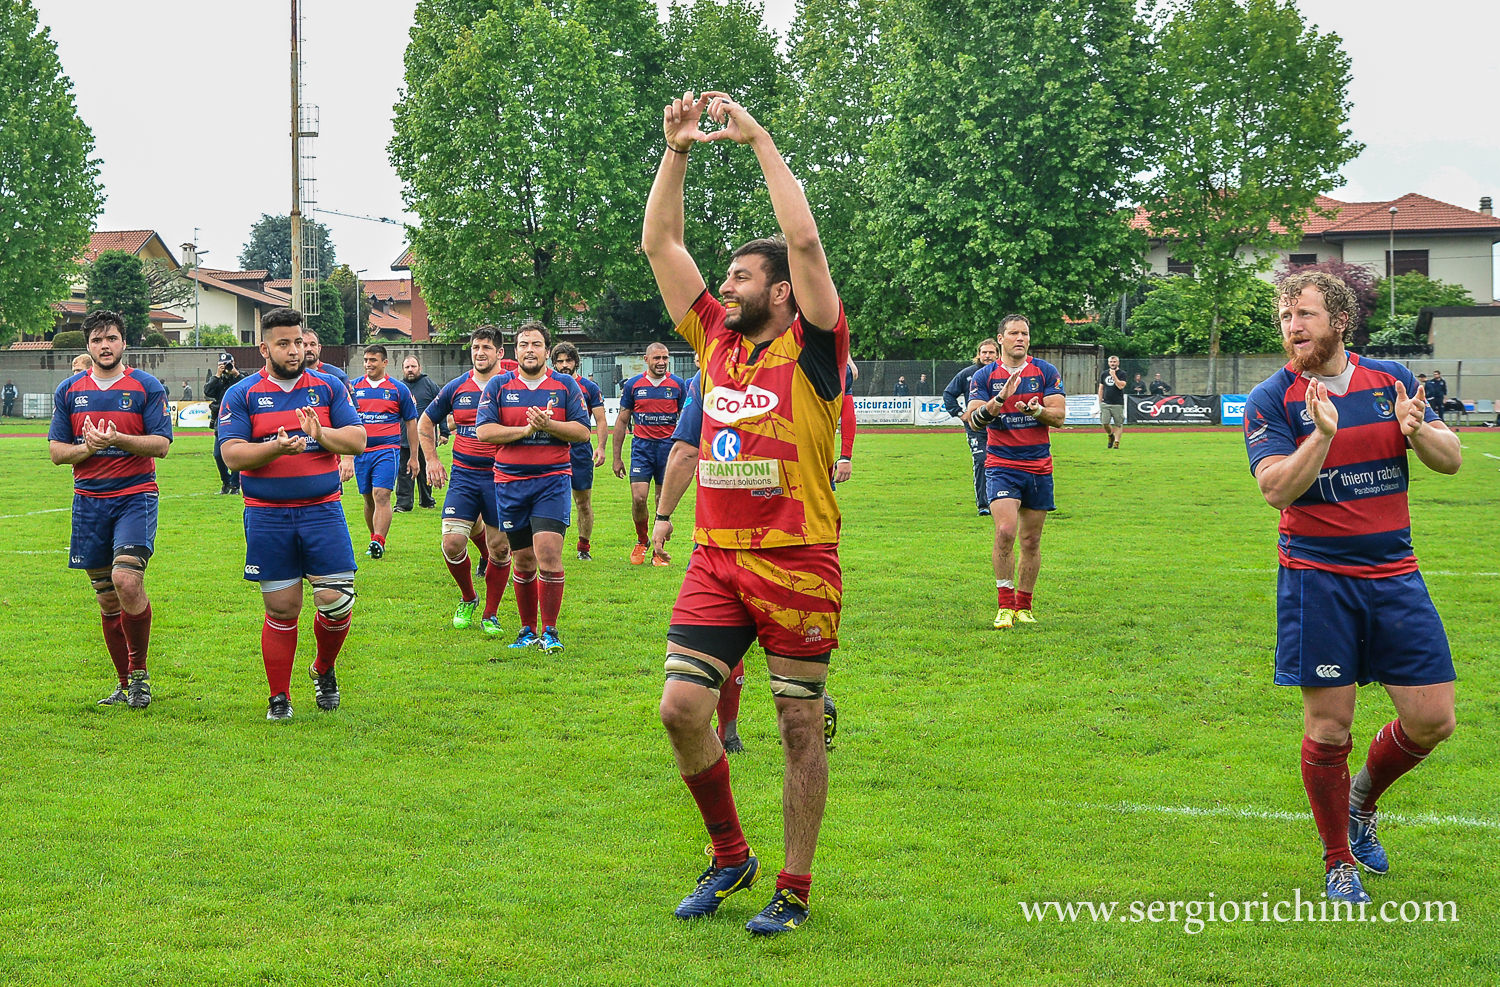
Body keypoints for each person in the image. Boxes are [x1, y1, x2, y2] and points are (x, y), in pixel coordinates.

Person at [643, 89, 849, 936]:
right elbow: (661, 243)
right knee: (680, 709)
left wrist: (757, 137)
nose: (724, 286)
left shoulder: (814, 342)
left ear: (782, 293)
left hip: (799, 560)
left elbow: (804, 240)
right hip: (716, 558)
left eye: (740, 276)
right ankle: (731, 855)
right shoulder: (715, 340)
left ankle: (793, 888)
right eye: (724, 276)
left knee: (799, 725)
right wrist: (678, 150)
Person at [1244, 271, 1461, 905]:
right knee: (1330, 727)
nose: (1292, 326)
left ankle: (1363, 800)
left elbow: (1450, 459)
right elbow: (1275, 489)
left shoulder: (1390, 379)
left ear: (1340, 321)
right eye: (1285, 315)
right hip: (1317, 579)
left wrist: (1418, 429)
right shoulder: (1271, 398)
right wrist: (1321, 434)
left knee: (1433, 720)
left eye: (1305, 314)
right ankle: (1338, 859)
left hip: (1395, 574)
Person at [653, 361, 844, 758]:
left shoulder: (718, 376)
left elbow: (686, 452)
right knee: (711, 678)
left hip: (749, 541)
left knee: (725, 653)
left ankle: (787, 707)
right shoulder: (800, 365)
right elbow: (686, 450)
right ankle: (756, 720)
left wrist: (664, 516)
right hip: (782, 542)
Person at [219, 307, 367, 720]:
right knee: (282, 609)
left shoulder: (330, 387)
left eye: (298, 342)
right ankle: (279, 698)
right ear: (264, 348)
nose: (294, 350)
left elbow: (357, 440)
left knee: (336, 601)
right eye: (283, 343)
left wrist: (322, 434)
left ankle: (323, 668)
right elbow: (232, 455)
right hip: (267, 515)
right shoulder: (242, 393)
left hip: (323, 511)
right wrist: (276, 448)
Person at [48, 310, 172, 708]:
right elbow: (57, 452)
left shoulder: (146, 386)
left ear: (124, 342)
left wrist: (119, 438)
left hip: (135, 496)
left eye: (112, 338)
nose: (105, 346)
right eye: (98, 340)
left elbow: (161, 444)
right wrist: (88, 447)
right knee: (106, 598)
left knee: (127, 581)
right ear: (88, 345)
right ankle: (123, 683)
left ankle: (139, 676)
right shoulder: (69, 390)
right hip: (89, 502)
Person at [475, 321, 591, 654]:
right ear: (515, 351)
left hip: (551, 481)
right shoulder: (499, 385)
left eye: (536, 344)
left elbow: (583, 432)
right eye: (524, 344)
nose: (530, 350)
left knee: (548, 553)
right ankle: (527, 629)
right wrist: (525, 431)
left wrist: (548, 425)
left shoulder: (565, 385)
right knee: (523, 560)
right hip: (510, 483)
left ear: (546, 351)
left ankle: (550, 632)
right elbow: (484, 431)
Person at [966, 314, 1066, 630]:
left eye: (1024, 333)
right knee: (1006, 531)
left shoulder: (1046, 371)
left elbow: (1059, 417)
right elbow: (974, 420)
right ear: (1001, 339)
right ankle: (1005, 606)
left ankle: (1024, 606)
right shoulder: (984, 376)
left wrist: (1037, 410)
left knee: (1031, 540)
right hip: (1001, 464)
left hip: (1038, 465)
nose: (1020, 338)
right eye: (1013, 333)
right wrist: (1000, 399)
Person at [420, 328, 510, 635]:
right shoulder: (457, 386)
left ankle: (490, 614)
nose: (480, 352)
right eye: (475, 347)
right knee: (452, 543)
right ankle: (469, 597)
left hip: (502, 477)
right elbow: (426, 421)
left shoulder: (511, 385)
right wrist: (432, 459)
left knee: (500, 549)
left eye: (487, 347)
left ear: (500, 353)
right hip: (464, 476)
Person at [612, 341, 687, 565]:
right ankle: (642, 540)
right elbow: (622, 421)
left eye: (665, 358)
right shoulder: (634, 385)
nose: (661, 362)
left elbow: (686, 419)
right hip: (642, 449)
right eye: (657, 358)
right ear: (646, 360)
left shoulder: (678, 385)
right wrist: (616, 458)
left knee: (661, 501)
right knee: (639, 498)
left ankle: (658, 549)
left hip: (668, 450)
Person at [342, 344, 419, 559]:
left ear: (385, 363)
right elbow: (346, 422)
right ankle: (374, 538)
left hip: (387, 450)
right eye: (366, 360)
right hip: (361, 452)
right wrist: (347, 456)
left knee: (382, 495)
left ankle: (379, 540)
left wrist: (414, 457)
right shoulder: (353, 388)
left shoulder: (398, 389)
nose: (368, 364)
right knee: (368, 499)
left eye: (373, 360)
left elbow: (411, 422)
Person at [550, 342, 608, 560]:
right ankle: (550, 547)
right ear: (554, 363)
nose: (564, 365)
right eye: (560, 361)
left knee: (583, 502)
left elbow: (601, 420)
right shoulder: (549, 385)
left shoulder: (589, 388)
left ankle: (584, 547)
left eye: (568, 360)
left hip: (580, 450)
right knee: (552, 502)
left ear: (576, 362)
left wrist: (601, 447)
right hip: (552, 448)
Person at [942, 338, 1000, 516]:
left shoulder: (1004, 372)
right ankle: (983, 505)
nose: (987, 356)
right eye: (984, 352)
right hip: (976, 428)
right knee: (982, 461)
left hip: (1001, 427)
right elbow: (948, 394)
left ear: (998, 354)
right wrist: (960, 413)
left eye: (991, 352)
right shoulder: (967, 374)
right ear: (978, 354)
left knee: (1005, 463)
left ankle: (1004, 501)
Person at [396, 356, 441, 513]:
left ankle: (427, 500)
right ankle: (403, 504)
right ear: (403, 369)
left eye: (413, 366)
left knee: (425, 471)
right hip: (403, 438)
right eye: (407, 367)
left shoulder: (430, 385)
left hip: (425, 438)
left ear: (419, 368)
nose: (410, 370)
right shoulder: (399, 387)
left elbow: (442, 408)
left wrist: (445, 431)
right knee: (404, 472)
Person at [204, 354, 245, 494]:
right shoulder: (218, 379)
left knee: (236, 453)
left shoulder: (240, 377)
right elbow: (208, 391)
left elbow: (248, 388)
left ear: (233, 362)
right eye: (223, 364)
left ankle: (235, 485)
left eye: (228, 363)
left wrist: (235, 374)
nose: (226, 366)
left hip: (238, 419)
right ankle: (226, 482)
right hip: (221, 420)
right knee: (218, 454)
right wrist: (217, 375)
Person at [300, 327, 351, 394]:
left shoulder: (338, 376)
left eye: (312, 345)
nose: (309, 349)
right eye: (304, 345)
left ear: (319, 348)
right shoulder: (290, 377)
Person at [1097, 355, 1127, 449]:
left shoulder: (1122, 374)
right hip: (1106, 402)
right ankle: (1111, 435)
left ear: (1118, 363)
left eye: (1114, 362)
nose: (1112, 363)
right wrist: (1100, 400)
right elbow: (1101, 387)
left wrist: (1114, 375)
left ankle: (1116, 443)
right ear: (1108, 363)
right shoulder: (1104, 374)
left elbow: (1121, 386)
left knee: (1118, 424)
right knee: (1105, 422)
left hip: (1117, 403)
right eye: (1111, 362)